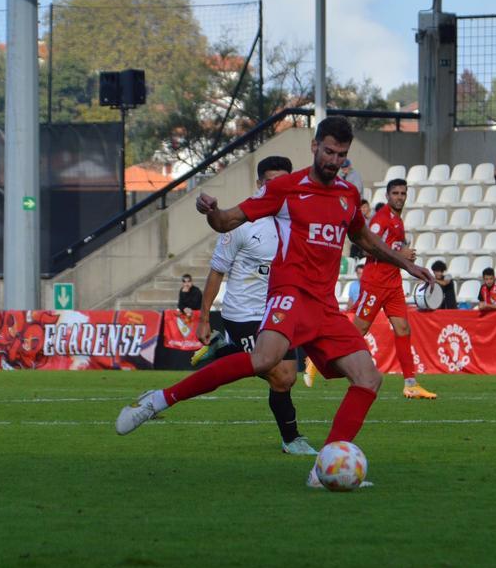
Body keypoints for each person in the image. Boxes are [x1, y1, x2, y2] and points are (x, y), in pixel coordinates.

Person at [115, 116, 435, 489]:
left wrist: (406, 263)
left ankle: (324, 470)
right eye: (328, 151)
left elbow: (364, 239)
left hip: (325, 306)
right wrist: (212, 211)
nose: (333, 160)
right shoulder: (285, 188)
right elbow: (227, 221)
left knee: (369, 378)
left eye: (341, 155)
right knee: (266, 361)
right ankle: (158, 400)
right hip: (289, 294)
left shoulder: (347, 195)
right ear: (315, 147)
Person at [193, 156, 315, 455]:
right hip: (244, 313)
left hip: (280, 310)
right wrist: (204, 317)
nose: (279, 187)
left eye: (284, 181)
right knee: (282, 375)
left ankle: (226, 348)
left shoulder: (298, 221)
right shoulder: (242, 224)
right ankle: (291, 439)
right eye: (272, 181)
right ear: (260, 185)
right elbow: (217, 271)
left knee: (286, 378)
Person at [341, 177, 437, 399]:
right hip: (375, 283)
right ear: (387, 195)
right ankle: (316, 362)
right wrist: (401, 254)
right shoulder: (381, 219)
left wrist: (405, 257)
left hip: (393, 283)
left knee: (403, 329)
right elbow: (366, 249)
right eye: (396, 193)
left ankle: (410, 384)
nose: (400, 197)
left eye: (403, 193)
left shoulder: (397, 221)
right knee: (359, 331)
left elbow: (392, 250)